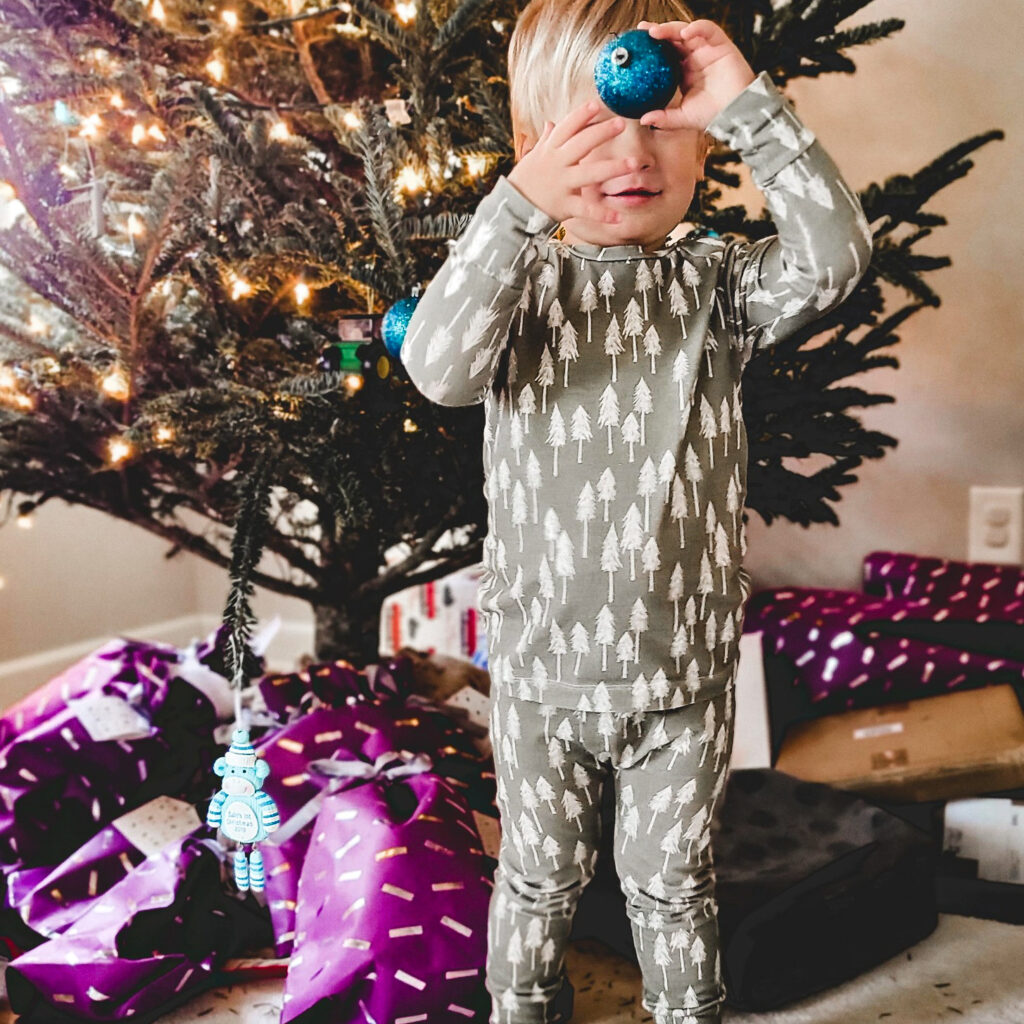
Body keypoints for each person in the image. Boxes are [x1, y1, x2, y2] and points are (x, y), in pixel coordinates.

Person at [400, 1, 872, 1020]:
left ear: (698, 135)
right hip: (542, 672)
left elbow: (835, 259)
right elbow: (436, 366)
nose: (633, 152)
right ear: (534, 148)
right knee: (536, 880)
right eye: (594, 125)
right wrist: (514, 207)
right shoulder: (517, 284)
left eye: (664, 121)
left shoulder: (716, 287)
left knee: (673, 890)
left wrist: (748, 105)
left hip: (681, 672)